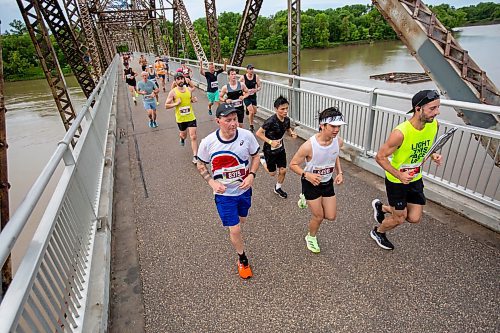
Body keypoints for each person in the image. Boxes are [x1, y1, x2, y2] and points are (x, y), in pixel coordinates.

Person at [370, 90, 442, 250]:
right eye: (432, 108)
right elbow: (380, 157)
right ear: (418, 109)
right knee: (399, 218)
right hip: (397, 180)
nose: (437, 112)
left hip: (415, 178)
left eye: (438, 107)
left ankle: (381, 208)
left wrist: (433, 155)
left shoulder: (434, 125)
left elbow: (427, 146)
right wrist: (399, 175)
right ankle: (378, 232)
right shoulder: (400, 133)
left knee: (414, 217)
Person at [196, 103, 260, 279]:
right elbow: (200, 163)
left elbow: (256, 156)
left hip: (244, 190)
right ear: (218, 121)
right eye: (228, 120)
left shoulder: (246, 136)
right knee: (236, 229)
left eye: (235, 119)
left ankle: (236, 230)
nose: (233, 124)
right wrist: (211, 182)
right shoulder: (208, 143)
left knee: (242, 220)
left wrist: (252, 175)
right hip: (224, 195)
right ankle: (242, 258)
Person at [290, 107, 345, 253]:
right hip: (310, 183)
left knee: (331, 216)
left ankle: (304, 199)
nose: (336, 130)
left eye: (338, 126)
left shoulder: (338, 142)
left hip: (327, 182)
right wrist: (307, 175)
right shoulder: (309, 146)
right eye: (333, 126)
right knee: (319, 216)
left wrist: (339, 172)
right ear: (322, 125)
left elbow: (335, 155)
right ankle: (311, 237)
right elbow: (293, 165)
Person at [255, 95, 297, 199]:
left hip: (280, 149)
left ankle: (278, 188)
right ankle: (262, 158)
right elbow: (258, 133)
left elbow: (287, 129)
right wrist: (270, 142)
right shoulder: (270, 121)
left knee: (283, 170)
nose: (285, 111)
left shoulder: (287, 120)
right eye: (282, 109)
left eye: (287, 108)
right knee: (272, 173)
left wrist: (291, 133)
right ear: (276, 109)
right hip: (269, 150)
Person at [165, 72, 199, 164]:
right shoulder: (173, 92)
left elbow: (190, 100)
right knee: (184, 135)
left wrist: (193, 100)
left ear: (184, 79)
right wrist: (176, 103)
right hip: (181, 119)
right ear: (175, 81)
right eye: (178, 79)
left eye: (182, 78)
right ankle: (182, 138)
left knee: (193, 136)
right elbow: (166, 105)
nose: (180, 80)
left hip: (191, 116)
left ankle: (195, 156)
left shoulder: (188, 89)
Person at [239, 64, 261, 132]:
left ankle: (248, 111)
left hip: (253, 96)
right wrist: (243, 93)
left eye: (252, 69)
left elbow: (259, 86)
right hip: (246, 96)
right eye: (250, 69)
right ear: (247, 70)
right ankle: (251, 126)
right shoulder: (243, 77)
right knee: (251, 112)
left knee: (254, 112)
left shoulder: (256, 77)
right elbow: (238, 86)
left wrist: (256, 90)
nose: (252, 70)